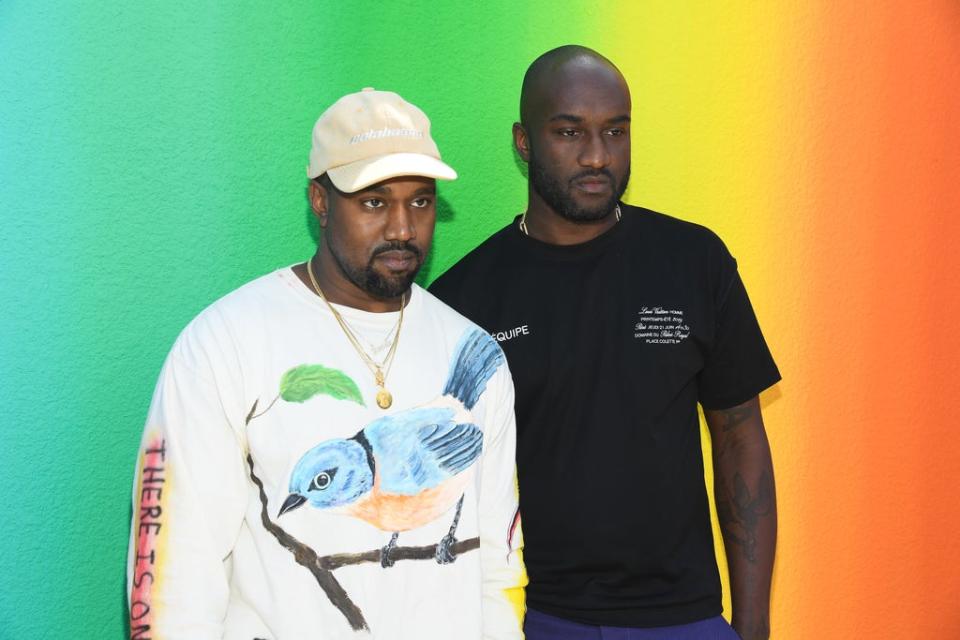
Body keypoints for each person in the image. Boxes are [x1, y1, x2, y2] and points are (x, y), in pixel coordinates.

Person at [127, 88, 526, 639]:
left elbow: (496, 565)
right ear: (320, 200)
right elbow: (175, 580)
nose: (403, 229)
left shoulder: (472, 348)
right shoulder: (225, 343)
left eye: (421, 200)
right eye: (373, 201)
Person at [429, 46, 780, 640]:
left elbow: (740, 435)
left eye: (615, 131)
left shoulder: (693, 262)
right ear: (524, 141)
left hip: (683, 617)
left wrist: (752, 626)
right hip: (528, 615)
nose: (597, 156)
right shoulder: (463, 300)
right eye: (569, 132)